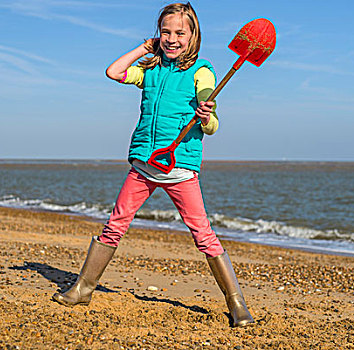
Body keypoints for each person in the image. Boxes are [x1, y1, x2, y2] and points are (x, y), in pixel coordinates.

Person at [52, 2, 254, 327]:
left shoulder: (202, 71)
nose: (172, 38)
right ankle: (83, 288)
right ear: (157, 34)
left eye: (180, 33)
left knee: (203, 235)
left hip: (180, 170)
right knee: (115, 224)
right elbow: (114, 72)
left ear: (193, 36)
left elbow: (212, 124)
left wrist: (206, 114)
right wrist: (145, 48)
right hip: (144, 166)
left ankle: (236, 302)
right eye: (165, 32)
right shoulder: (150, 71)